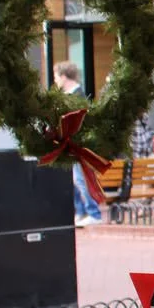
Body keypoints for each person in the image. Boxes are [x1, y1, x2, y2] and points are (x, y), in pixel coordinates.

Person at [53, 61, 102, 227]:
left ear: (64, 77)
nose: (55, 81)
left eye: (56, 77)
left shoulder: (77, 97)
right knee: (72, 180)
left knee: (80, 179)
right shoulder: (70, 96)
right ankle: (80, 212)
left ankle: (93, 213)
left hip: (76, 144)